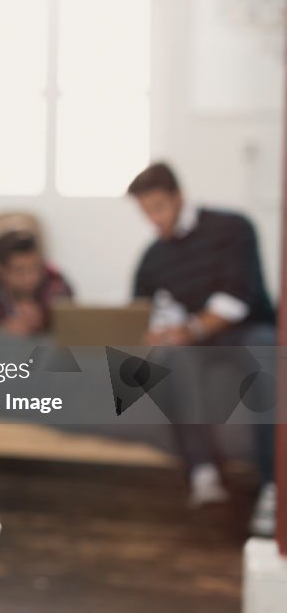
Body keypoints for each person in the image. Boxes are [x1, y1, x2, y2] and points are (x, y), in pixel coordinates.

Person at [128, 161, 277, 534]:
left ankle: (275, 486)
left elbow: (239, 298)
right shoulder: (154, 255)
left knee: (270, 355)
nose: (153, 218)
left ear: (180, 197)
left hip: (248, 329)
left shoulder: (232, 228)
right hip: (195, 341)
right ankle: (203, 474)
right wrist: (155, 330)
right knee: (170, 361)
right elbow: (142, 308)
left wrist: (191, 328)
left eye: (158, 207)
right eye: (145, 211)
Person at [0, 229, 74, 336]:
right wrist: (3, 330)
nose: (30, 278)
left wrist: (43, 322)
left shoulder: (55, 280)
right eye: (19, 271)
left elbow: (68, 332)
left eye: (35, 268)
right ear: (0, 270)